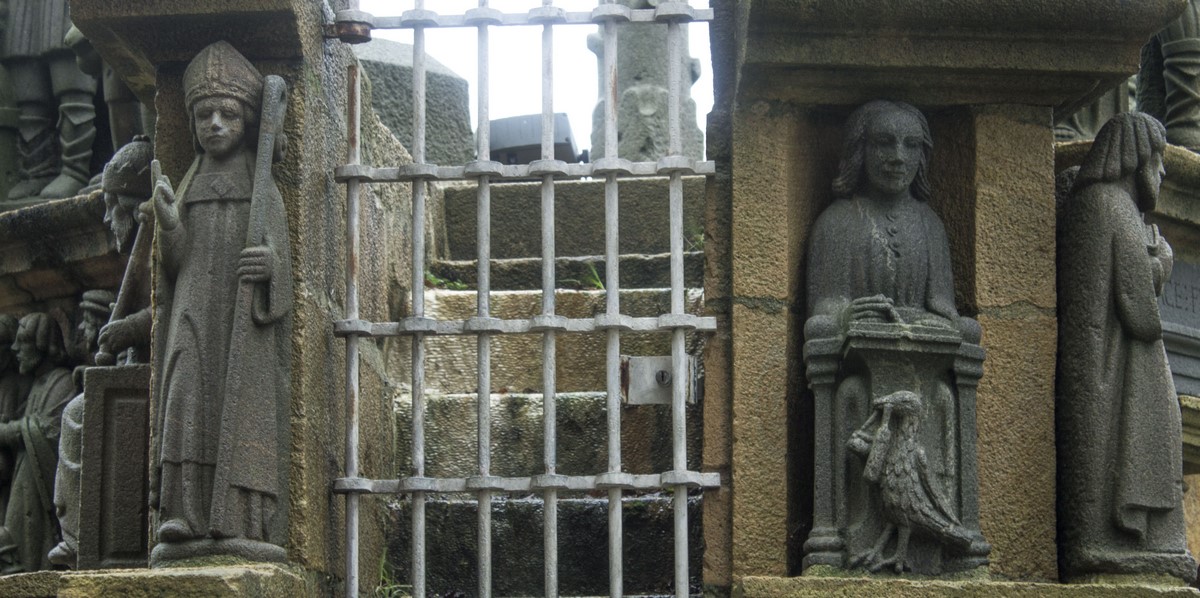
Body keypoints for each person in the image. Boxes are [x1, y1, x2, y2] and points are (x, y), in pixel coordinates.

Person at [805, 100, 986, 574]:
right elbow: (822, 312)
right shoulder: (837, 223)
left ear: (923, 156)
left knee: (947, 388)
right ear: (859, 151)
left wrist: (946, 326)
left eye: (911, 145)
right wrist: (847, 314)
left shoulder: (931, 226)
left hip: (920, 366)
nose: (897, 156)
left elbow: (943, 308)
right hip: (861, 369)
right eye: (884, 143)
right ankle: (840, 534)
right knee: (850, 391)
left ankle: (951, 536)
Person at [150, 40, 291, 564]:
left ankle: (238, 517)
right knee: (185, 392)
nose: (214, 124)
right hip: (193, 306)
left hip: (240, 315)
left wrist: (270, 268)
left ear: (247, 122)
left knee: (243, 403)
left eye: (227, 114)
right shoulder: (190, 186)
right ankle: (181, 510)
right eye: (204, 115)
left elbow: (283, 269)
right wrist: (170, 223)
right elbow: (174, 263)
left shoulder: (263, 190)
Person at [1057, 112, 1196, 583]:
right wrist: (1163, 261)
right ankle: (1125, 538)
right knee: (1137, 435)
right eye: (1158, 160)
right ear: (1137, 158)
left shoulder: (1098, 203)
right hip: (1117, 361)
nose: (1162, 171)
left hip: (1107, 359)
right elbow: (1139, 313)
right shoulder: (1112, 206)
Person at [48, 137, 154, 568]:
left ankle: (80, 535)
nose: (108, 218)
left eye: (113, 206)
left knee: (77, 414)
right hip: (136, 370)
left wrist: (128, 329)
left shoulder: (157, 250)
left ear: (134, 206)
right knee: (78, 410)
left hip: (164, 372)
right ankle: (76, 530)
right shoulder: (138, 257)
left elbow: (176, 308)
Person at [0, 313, 72, 573]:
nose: (15, 349)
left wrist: (7, 431)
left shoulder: (61, 380)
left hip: (39, 482)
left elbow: (49, 431)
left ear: (42, 345)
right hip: (25, 475)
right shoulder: (36, 384)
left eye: (23, 342)